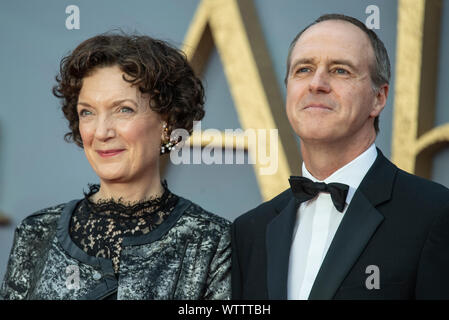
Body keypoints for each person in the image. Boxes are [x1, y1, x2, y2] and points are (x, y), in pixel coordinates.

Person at [231, 14, 449, 300]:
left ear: (378, 98)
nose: (317, 84)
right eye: (303, 69)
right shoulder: (249, 231)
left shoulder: (435, 214)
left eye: (340, 71)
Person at [0, 33, 231, 300]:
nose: (101, 132)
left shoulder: (211, 242)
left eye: (123, 110)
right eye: (87, 112)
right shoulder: (37, 233)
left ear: (167, 122)